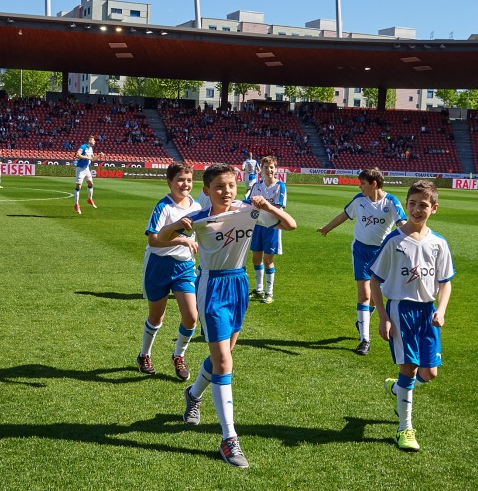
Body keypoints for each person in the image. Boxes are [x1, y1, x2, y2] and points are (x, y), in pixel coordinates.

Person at [158, 162, 296, 468]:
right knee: (223, 361)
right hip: (211, 286)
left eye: (231, 185)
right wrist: (178, 226)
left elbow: (290, 225)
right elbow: (159, 238)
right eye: (219, 187)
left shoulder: (248, 210)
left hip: (238, 284)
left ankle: (193, 394)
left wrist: (267, 204)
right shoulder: (200, 218)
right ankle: (228, 437)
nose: (226, 191)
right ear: (206, 191)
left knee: (226, 355)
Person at [369, 180, 454, 452]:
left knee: (429, 373)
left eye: (424, 205)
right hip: (401, 310)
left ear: (434, 208)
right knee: (409, 368)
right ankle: (404, 429)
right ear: (406, 205)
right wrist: (382, 317)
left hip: (427, 313)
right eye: (413, 204)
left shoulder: (439, 243)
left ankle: (397, 389)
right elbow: (374, 279)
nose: (417, 210)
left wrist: (440, 310)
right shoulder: (394, 241)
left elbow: (445, 282)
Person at [317, 167, 407, 356]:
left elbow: (402, 224)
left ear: (374, 184)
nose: (360, 187)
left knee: (375, 298)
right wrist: (327, 228)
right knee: (364, 295)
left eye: (363, 183)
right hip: (360, 251)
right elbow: (344, 215)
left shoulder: (391, 202)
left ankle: (362, 319)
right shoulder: (359, 200)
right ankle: (364, 340)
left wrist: (414, 238)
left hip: (382, 254)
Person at [137, 162, 200, 380]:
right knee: (156, 317)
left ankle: (179, 355)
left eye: (189, 180)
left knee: (191, 317)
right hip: (159, 265)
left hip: (184, 267)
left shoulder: (197, 207)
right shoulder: (163, 207)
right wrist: (181, 238)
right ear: (169, 182)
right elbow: (153, 241)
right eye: (181, 180)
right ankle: (144, 354)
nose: (185, 184)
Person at [247, 155, 287, 304]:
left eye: (271, 167)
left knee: (268, 260)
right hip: (257, 226)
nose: (269, 170)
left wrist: (263, 207)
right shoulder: (256, 186)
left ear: (276, 169)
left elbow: (278, 208)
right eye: (266, 167)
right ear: (261, 169)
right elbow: (250, 204)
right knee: (256, 258)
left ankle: (269, 292)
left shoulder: (280, 186)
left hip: (272, 227)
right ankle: (258, 290)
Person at [73, 135, 102, 215]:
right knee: (78, 186)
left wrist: (99, 155)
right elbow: (77, 155)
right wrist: (87, 157)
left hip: (87, 169)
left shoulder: (90, 149)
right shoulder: (83, 146)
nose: (95, 141)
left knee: (90, 184)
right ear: (89, 140)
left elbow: (92, 159)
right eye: (93, 140)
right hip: (80, 169)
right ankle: (76, 204)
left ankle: (90, 199)